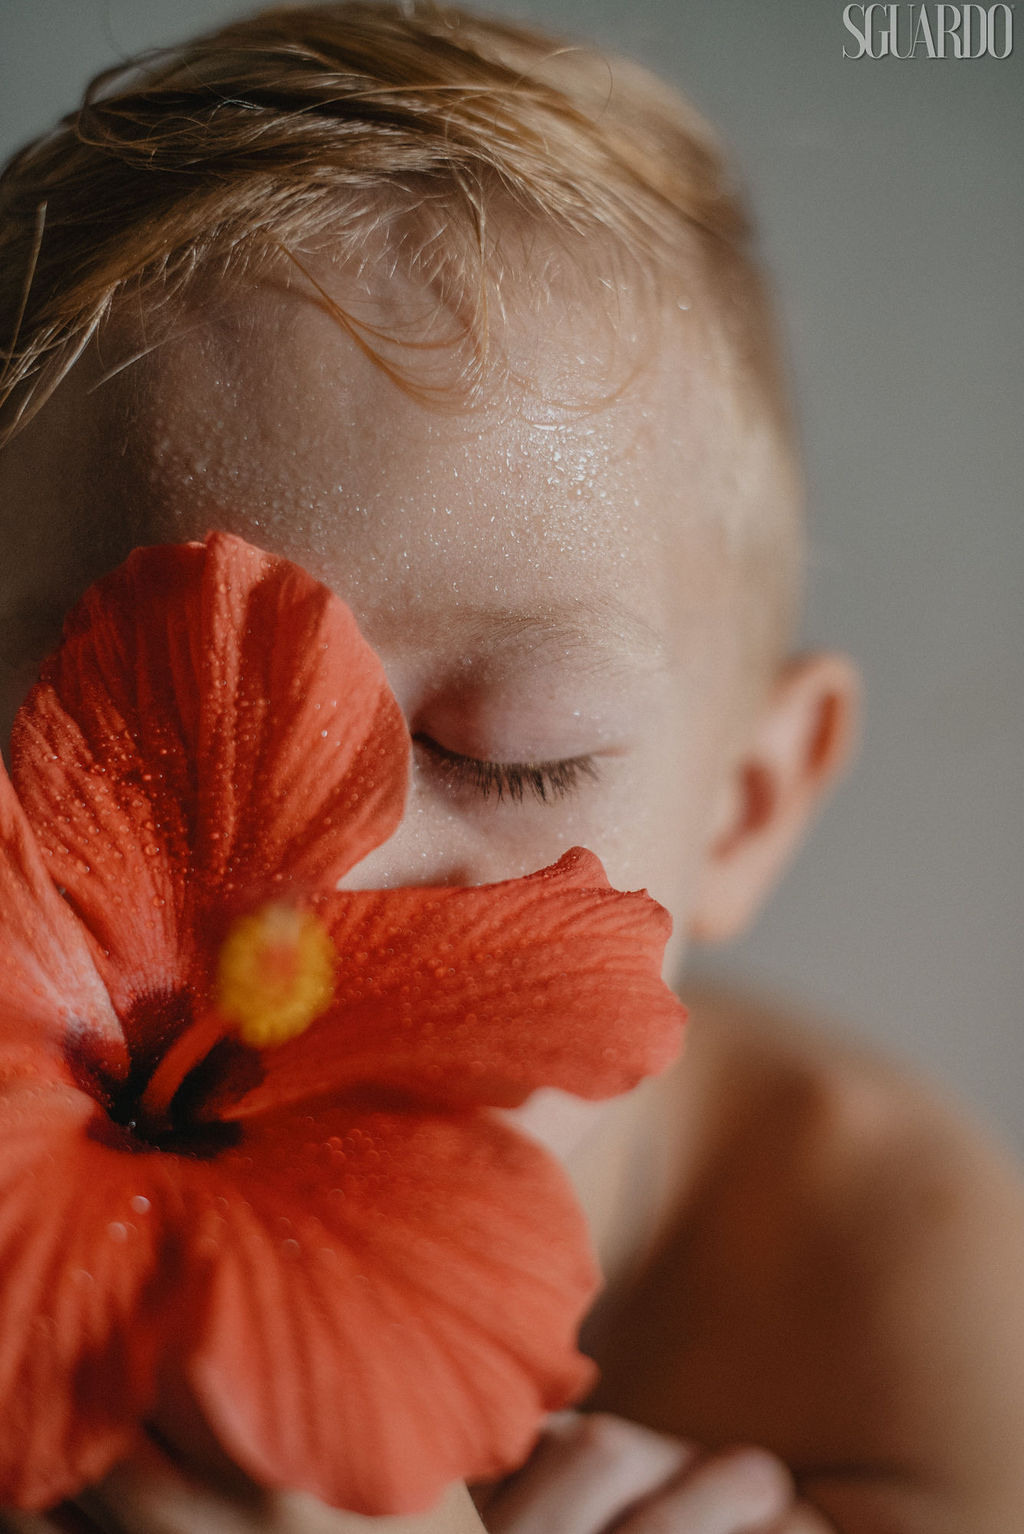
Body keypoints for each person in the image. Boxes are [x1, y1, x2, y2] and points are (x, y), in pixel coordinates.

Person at [1, 4, 1023, 1531]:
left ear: (747, 805)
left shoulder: (897, 1289)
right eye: (153, 724)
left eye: (508, 754)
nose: (306, 898)